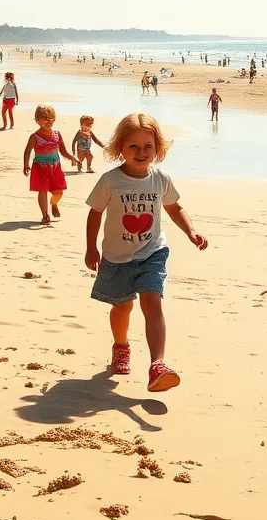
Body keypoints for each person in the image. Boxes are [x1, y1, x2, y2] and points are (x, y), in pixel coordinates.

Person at [84, 113, 208, 392]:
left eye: (147, 147)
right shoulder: (110, 181)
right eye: (133, 147)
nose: (141, 153)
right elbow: (95, 214)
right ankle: (121, 346)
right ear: (120, 148)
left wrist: (191, 232)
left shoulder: (160, 179)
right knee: (122, 306)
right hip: (116, 257)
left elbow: (174, 208)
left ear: (157, 147)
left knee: (152, 301)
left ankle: (157, 365)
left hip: (152, 252)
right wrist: (91, 247)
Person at [22, 104, 78, 224]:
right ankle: (45, 215)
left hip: (55, 166)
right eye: (45, 118)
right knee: (42, 191)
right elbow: (27, 151)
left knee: (59, 192)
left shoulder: (57, 134)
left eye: (51, 118)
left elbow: (62, 151)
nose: (49, 121)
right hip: (40, 167)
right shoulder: (35, 136)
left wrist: (72, 158)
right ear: (38, 120)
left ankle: (54, 204)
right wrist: (26, 164)